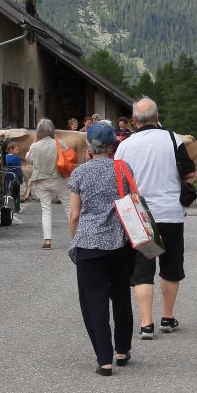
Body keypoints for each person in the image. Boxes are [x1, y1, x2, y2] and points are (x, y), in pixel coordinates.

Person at [114, 97, 193, 339]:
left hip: (139, 215)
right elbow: (190, 173)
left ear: (133, 120)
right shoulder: (173, 139)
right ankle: (167, 318)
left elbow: (119, 180)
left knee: (143, 270)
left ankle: (146, 324)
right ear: (157, 118)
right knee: (170, 267)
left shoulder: (124, 146)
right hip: (171, 213)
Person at [68, 122, 139, 376]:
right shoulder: (123, 168)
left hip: (89, 245)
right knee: (121, 296)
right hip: (120, 244)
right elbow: (135, 200)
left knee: (94, 302)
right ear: (112, 145)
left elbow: (74, 215)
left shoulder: (79, 173)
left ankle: (104, 359)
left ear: (89, 145)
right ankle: (122, 350)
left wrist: (75, 240)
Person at [27, 119, 68, 248]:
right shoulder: (59, 143)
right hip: (59, 179)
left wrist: (34, 142)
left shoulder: (35, 146)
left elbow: (29, 159)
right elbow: (67, 157)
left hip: (41, 180)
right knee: (69, 208)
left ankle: (47, 240)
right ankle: (78, 236)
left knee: (46, 210)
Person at [4, 142, 24, 225]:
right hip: (15, 178)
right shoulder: (16, 158)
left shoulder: (5, 157)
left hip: (5, 178)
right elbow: (19, 170)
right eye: (16, 149)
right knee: (16, 193)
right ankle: (16, 208)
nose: (18, 150)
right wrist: (21, 179)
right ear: (11, 150)